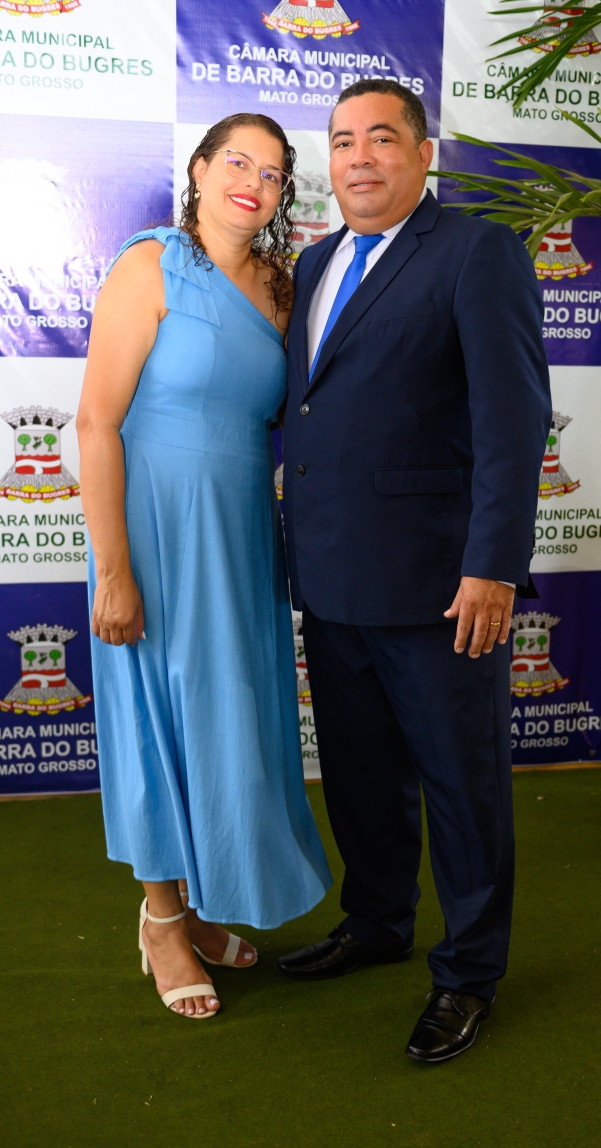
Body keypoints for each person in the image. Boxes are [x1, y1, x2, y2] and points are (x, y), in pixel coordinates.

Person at [277, 80, 551, 1063]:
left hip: (442, 587)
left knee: (461, 786)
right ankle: (378, 921)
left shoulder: (477, 252)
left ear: (423, 153)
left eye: (382, 138)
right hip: (332, 579)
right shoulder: (314, 263)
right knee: (359, 774)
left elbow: (513, 422)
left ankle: (469, 973)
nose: (359, 157)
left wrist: (494, 567)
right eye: (342, 140)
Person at [77, 113, 331, 1020]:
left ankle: (201, 897)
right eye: (236, 162)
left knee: (227, 715)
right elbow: (96, 423)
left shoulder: (281, 287)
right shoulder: (149, 264)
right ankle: (160, 919)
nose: (251, 184)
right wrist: (114, 571)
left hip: (239, 531)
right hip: (150, 529)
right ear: (198, 168)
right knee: (156, 715)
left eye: (271, 173)